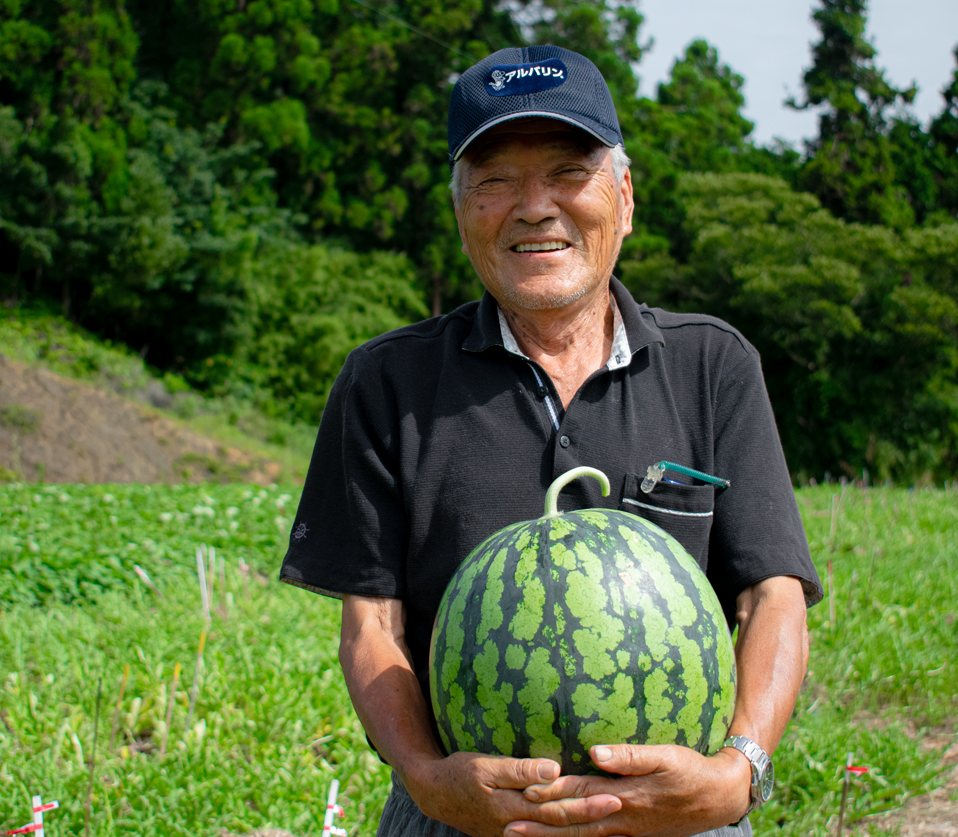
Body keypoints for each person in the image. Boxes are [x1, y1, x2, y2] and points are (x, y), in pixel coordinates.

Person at [280, 44, 822, 837]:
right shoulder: (385, 383)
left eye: (569, 173)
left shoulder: (714, 364)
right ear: (461, 208)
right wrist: (429, 778)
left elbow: (772, 594)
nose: (535, 207)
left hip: (677, 814)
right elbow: (372, 626)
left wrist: (739, 772)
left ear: (624, 196)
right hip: (463, 810)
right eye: (495, 180)